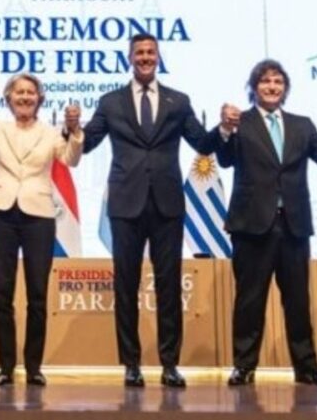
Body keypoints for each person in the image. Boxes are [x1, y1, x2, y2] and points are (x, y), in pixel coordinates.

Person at [81, 33, 220, 388]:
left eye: (151, 52)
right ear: (130, 58)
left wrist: (224, 129)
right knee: (125, 286)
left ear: (158, 58)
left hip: (167, 204)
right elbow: (88, 142)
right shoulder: (110, 102)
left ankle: (170, 364)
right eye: (139, 52)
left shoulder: (178, 100)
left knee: (169, 286)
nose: (145, 57)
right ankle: (131, 364)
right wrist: (71, 130)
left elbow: (202, 142)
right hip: (125, 205)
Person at [215, 60, 317, 387]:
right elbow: (224, 158)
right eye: (265, 81)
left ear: (285, 88)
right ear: (254, 88)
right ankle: (244, 366)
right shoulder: (240, 122)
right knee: (250, 301)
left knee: (297, 301)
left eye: (278, 81)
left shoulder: (301, 125)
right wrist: (224, 129)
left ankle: (307, 368)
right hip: (251, 226)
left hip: (294, 225)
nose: (272, 87)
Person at [0, 73, 83, 387]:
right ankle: (6, 367)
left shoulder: (51, 133)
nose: (25, 97)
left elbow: (71, 159)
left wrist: (75, 131)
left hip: (39, 217)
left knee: (37, 296)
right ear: (9, 98)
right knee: (3, 295)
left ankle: (34, 367)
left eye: (30, 93)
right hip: (2, 214)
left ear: (39, 99)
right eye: (19, 92)